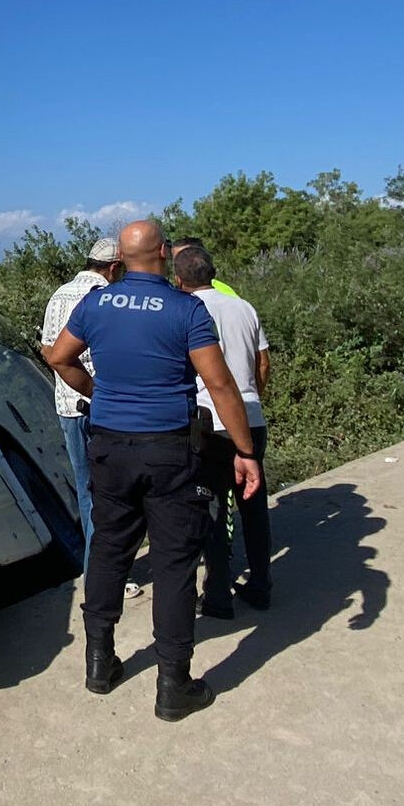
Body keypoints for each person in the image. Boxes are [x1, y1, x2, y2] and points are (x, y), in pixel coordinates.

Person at [44, 220, 262, 721]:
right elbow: (220, 383)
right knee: (174, 562)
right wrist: (244, 451)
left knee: (109, 549)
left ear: (120, 257)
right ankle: (173, 684)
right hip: (168, 450)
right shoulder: (186, 308)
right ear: (164, 252)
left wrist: (100, 397)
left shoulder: (97, 302)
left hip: (110, 447)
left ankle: (99, 663)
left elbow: (58, 357)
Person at [172, 244, 273, 617]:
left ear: (178, 279)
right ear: (212, 273)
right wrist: (252, 399)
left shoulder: (186, 311)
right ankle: (261, 584)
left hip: (209, 421)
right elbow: (263, 362)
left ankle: (217, 593)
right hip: (250, 416)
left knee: (212, 507)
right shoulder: (243, 307)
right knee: (254, 507)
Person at [39, 237, 122, 573]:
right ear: (114, 268)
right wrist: (97, 389)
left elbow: (48, 350)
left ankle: (95, 571)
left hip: (67, 404)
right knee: (114, 493)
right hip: (104, 405)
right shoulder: (106, 297)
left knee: (87, 491)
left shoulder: (59, 294)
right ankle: (109, 571)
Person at [166, 237, 239, 297]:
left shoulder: (224, 293)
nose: (179, 263)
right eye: (176, 259)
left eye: (185, 257)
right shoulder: (172, 293)